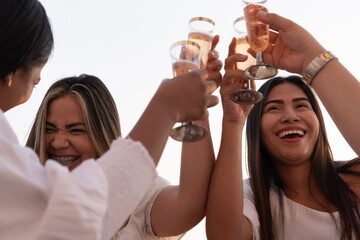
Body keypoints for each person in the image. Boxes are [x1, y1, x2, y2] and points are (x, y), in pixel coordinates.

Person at [0, 0, 218, 239]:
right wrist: (165, 107)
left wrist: (197, 98)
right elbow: (75, 218)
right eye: (50, 129)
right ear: (14, 68)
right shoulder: (19, 180)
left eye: (75, 130)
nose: (58, 142)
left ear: (101, 132)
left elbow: (189, 204)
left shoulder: (140, 199)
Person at [206, 11, 360, 240]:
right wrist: (233, 120)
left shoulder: (354, 177)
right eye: (274, 108)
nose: (290, 116)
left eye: (301, 106)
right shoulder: (252, 199)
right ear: (256, 126)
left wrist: (311, 59)